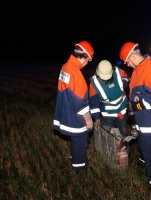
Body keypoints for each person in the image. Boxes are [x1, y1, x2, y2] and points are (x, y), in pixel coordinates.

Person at [119, 42, 151, 195]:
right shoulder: (140, 69)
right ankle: (142, 163)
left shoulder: (149, 69)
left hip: (150, 121)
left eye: (127, 62)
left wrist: (135, 107)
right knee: (142, 144)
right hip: (142, 119)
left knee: (149, 150)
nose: (128, 65)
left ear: (132, 56)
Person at [53, 41, 94, 174]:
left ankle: (75, 159)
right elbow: (80, 102)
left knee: (76, 142)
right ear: (85, 56)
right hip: (75, 116)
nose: (87, 63)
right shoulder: (75, 72)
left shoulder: (65, 67)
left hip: (66, 111)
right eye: (88, 60)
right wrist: (88, 120)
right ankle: (79, 170)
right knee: (80, 142)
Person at [89, 60, 129, 137]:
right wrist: (96, 117)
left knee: (123, 131)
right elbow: (94, 101)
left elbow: (125, 77)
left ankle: (123, 148)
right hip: (107, 114)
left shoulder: (118, 71)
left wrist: (124, 82)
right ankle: (111, 148)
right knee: (110, 134)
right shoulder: (94, 82)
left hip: (122, 110)